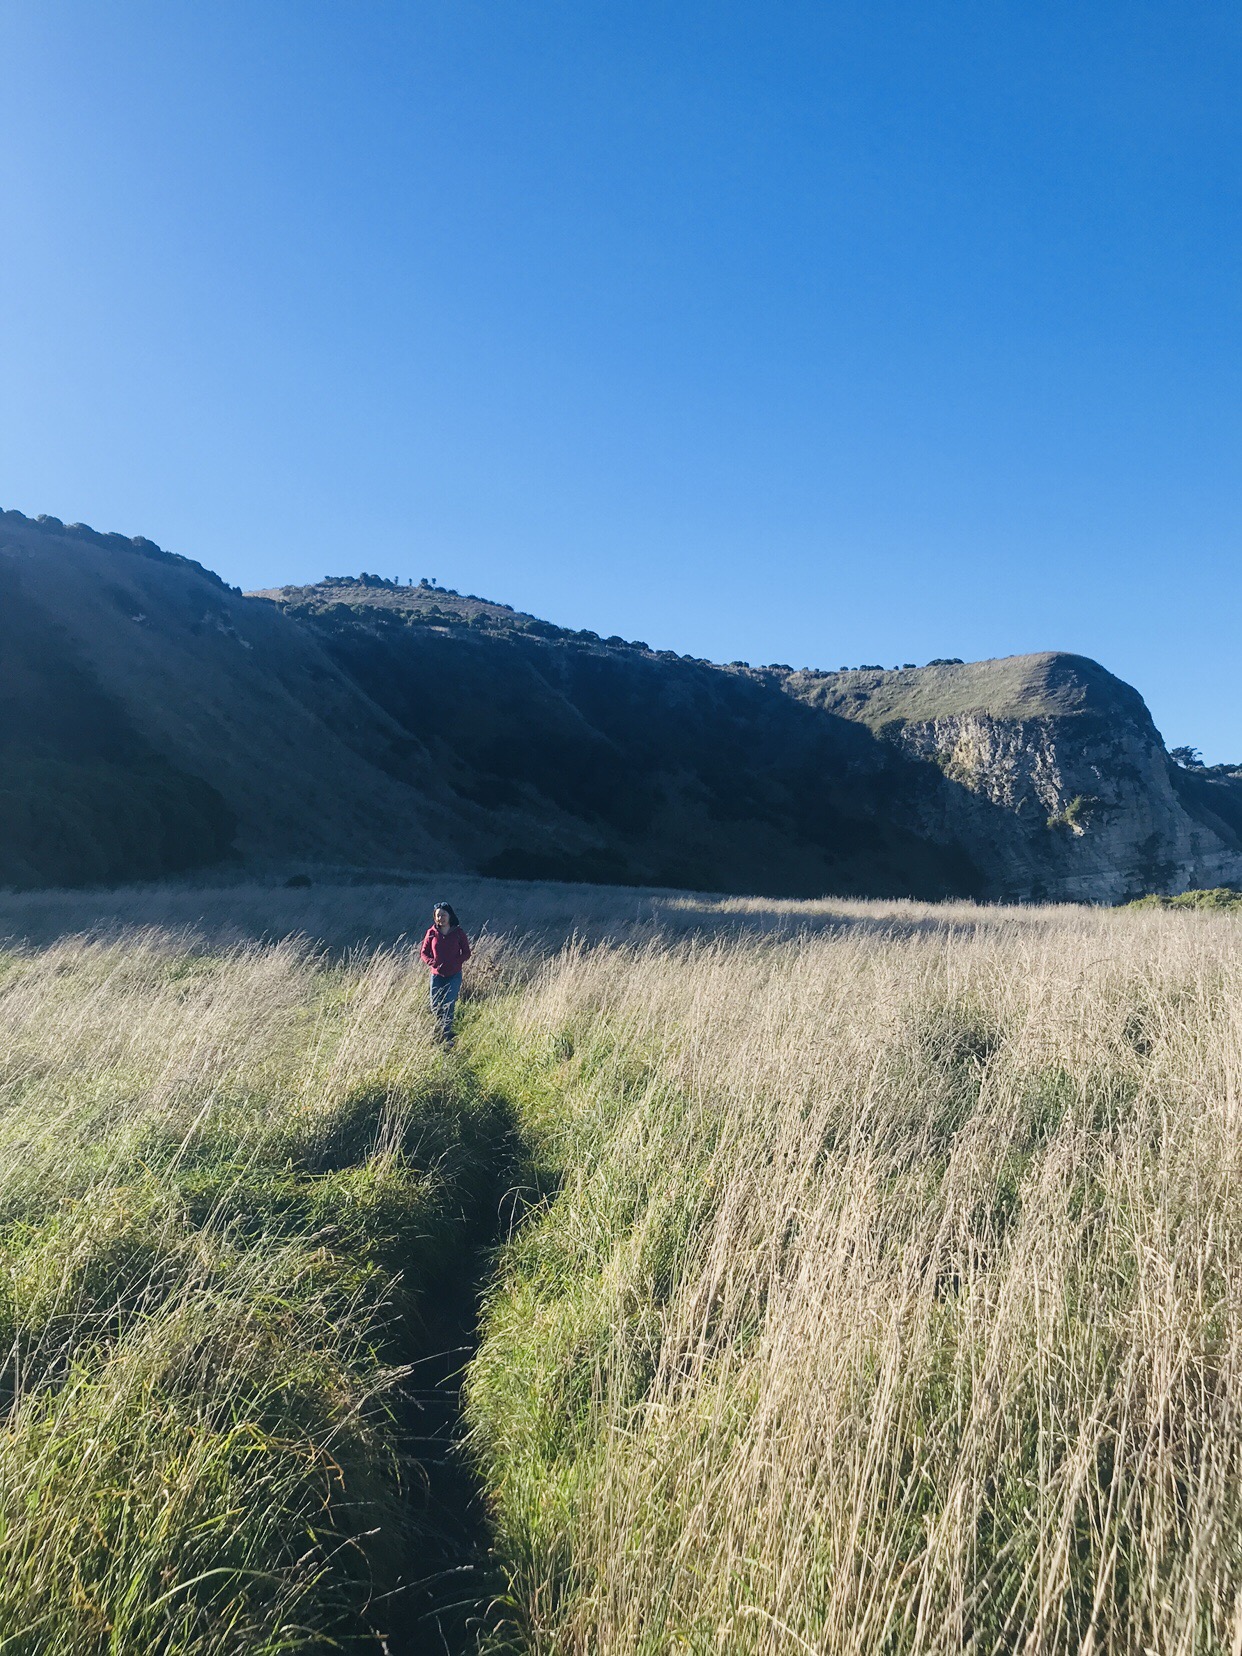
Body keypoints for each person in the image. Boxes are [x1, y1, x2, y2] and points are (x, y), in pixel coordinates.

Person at [420, 902, 471, 1043]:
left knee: (448, 1003)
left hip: (454, 975)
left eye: (443, 915)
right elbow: (424, 953)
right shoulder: (431, 932)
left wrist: (456, 962)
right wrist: (432, 962)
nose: (440, 918)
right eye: (438, 915)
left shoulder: (458, 933)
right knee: (435, 1005)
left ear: (450, 916)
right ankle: (439, 1030)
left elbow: (467, 953)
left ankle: (446, 1035)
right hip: (436, 975)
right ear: (434, 917)